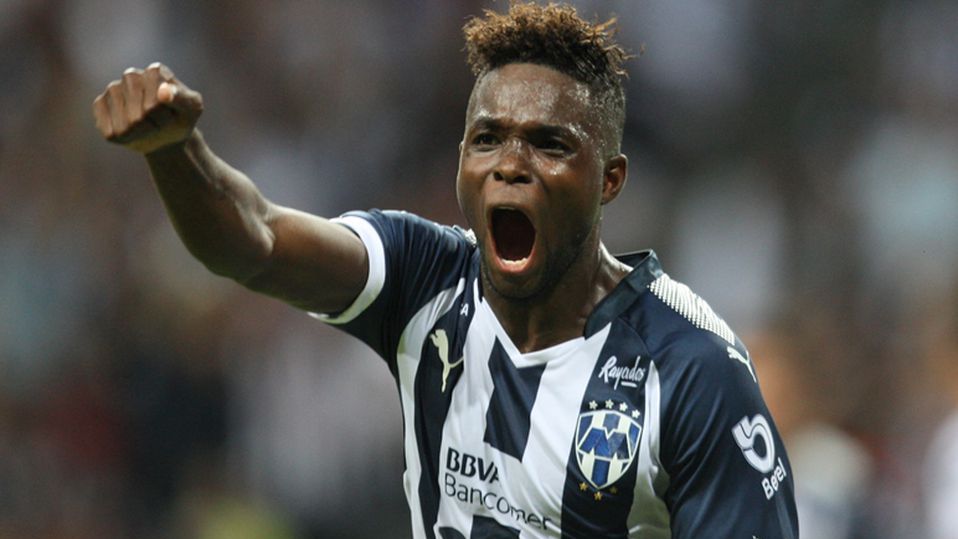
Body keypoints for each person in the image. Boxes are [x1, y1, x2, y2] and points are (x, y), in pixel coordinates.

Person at [93, 3, 798, 538]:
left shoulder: (691, 369)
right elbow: (255, 240)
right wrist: (175, 153)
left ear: (609, 180)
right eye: (488, 139)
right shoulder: (424, 277)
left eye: (549, 144)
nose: (511, 165)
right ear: (461, 159)